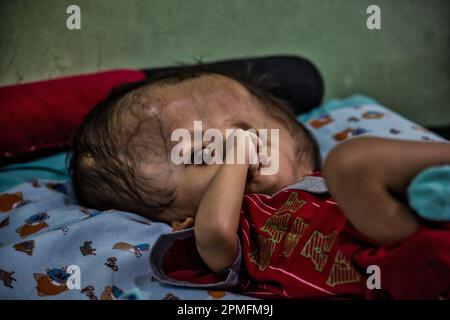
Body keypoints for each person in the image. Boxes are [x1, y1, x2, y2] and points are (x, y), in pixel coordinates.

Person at [70, 64, 450, 299]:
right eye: (205, 154)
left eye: (246, 132)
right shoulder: (237, 240)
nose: (242, 147)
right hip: (395, 267)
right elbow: (215, 230)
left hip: (402, 224)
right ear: (183, 222)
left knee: (354, 162)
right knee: (352, 162)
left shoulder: (319, 187)